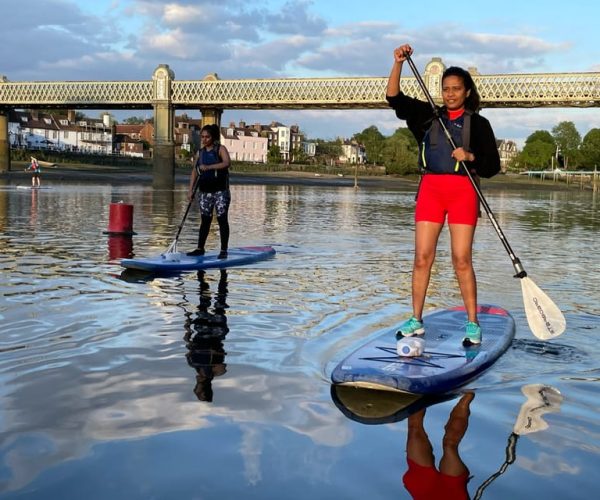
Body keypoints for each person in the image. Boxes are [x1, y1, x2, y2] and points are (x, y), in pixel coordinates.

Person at [386, 44, 500, 346]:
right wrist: (397, 63)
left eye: (455, 89)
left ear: (466, 92)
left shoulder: (479, 124)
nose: (450, 94)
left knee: (461, 259)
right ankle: (416, 320)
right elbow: (393, 98)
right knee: (422, 258)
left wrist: (471, 156)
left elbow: (493, 167)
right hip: (431, 192)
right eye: (445, 89)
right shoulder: (427, 116)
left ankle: (473, 324)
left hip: (463, 192)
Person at [403, 392, 474, 500]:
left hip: (421, 489)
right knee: (449, 446)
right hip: (452, 495)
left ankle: (420, 389)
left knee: (414, 430)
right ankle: (469, 390)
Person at [187, 124, 232, 259]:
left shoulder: (220, 149)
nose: (204, 139)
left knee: (221, 219)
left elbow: (227, 163)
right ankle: (200, 248)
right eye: (202, 137)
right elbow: (195, 171)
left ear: (213, 137)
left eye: (207, 137)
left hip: (220, 191)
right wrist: (190, 191)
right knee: (205, 221)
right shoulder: (200, 153)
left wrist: (209, 167)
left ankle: (223, 250)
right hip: (204, 191)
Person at [184, 270, 229, 402]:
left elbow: (188, 343)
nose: (195, 388)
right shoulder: (218, 372)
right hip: (216, 334)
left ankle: (201, 276)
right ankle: (223, 274)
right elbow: (222, 356)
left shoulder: (193, 364)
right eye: (197, 390)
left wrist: (187, 325)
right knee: (220, 302)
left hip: (202, 332)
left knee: (203, 303)